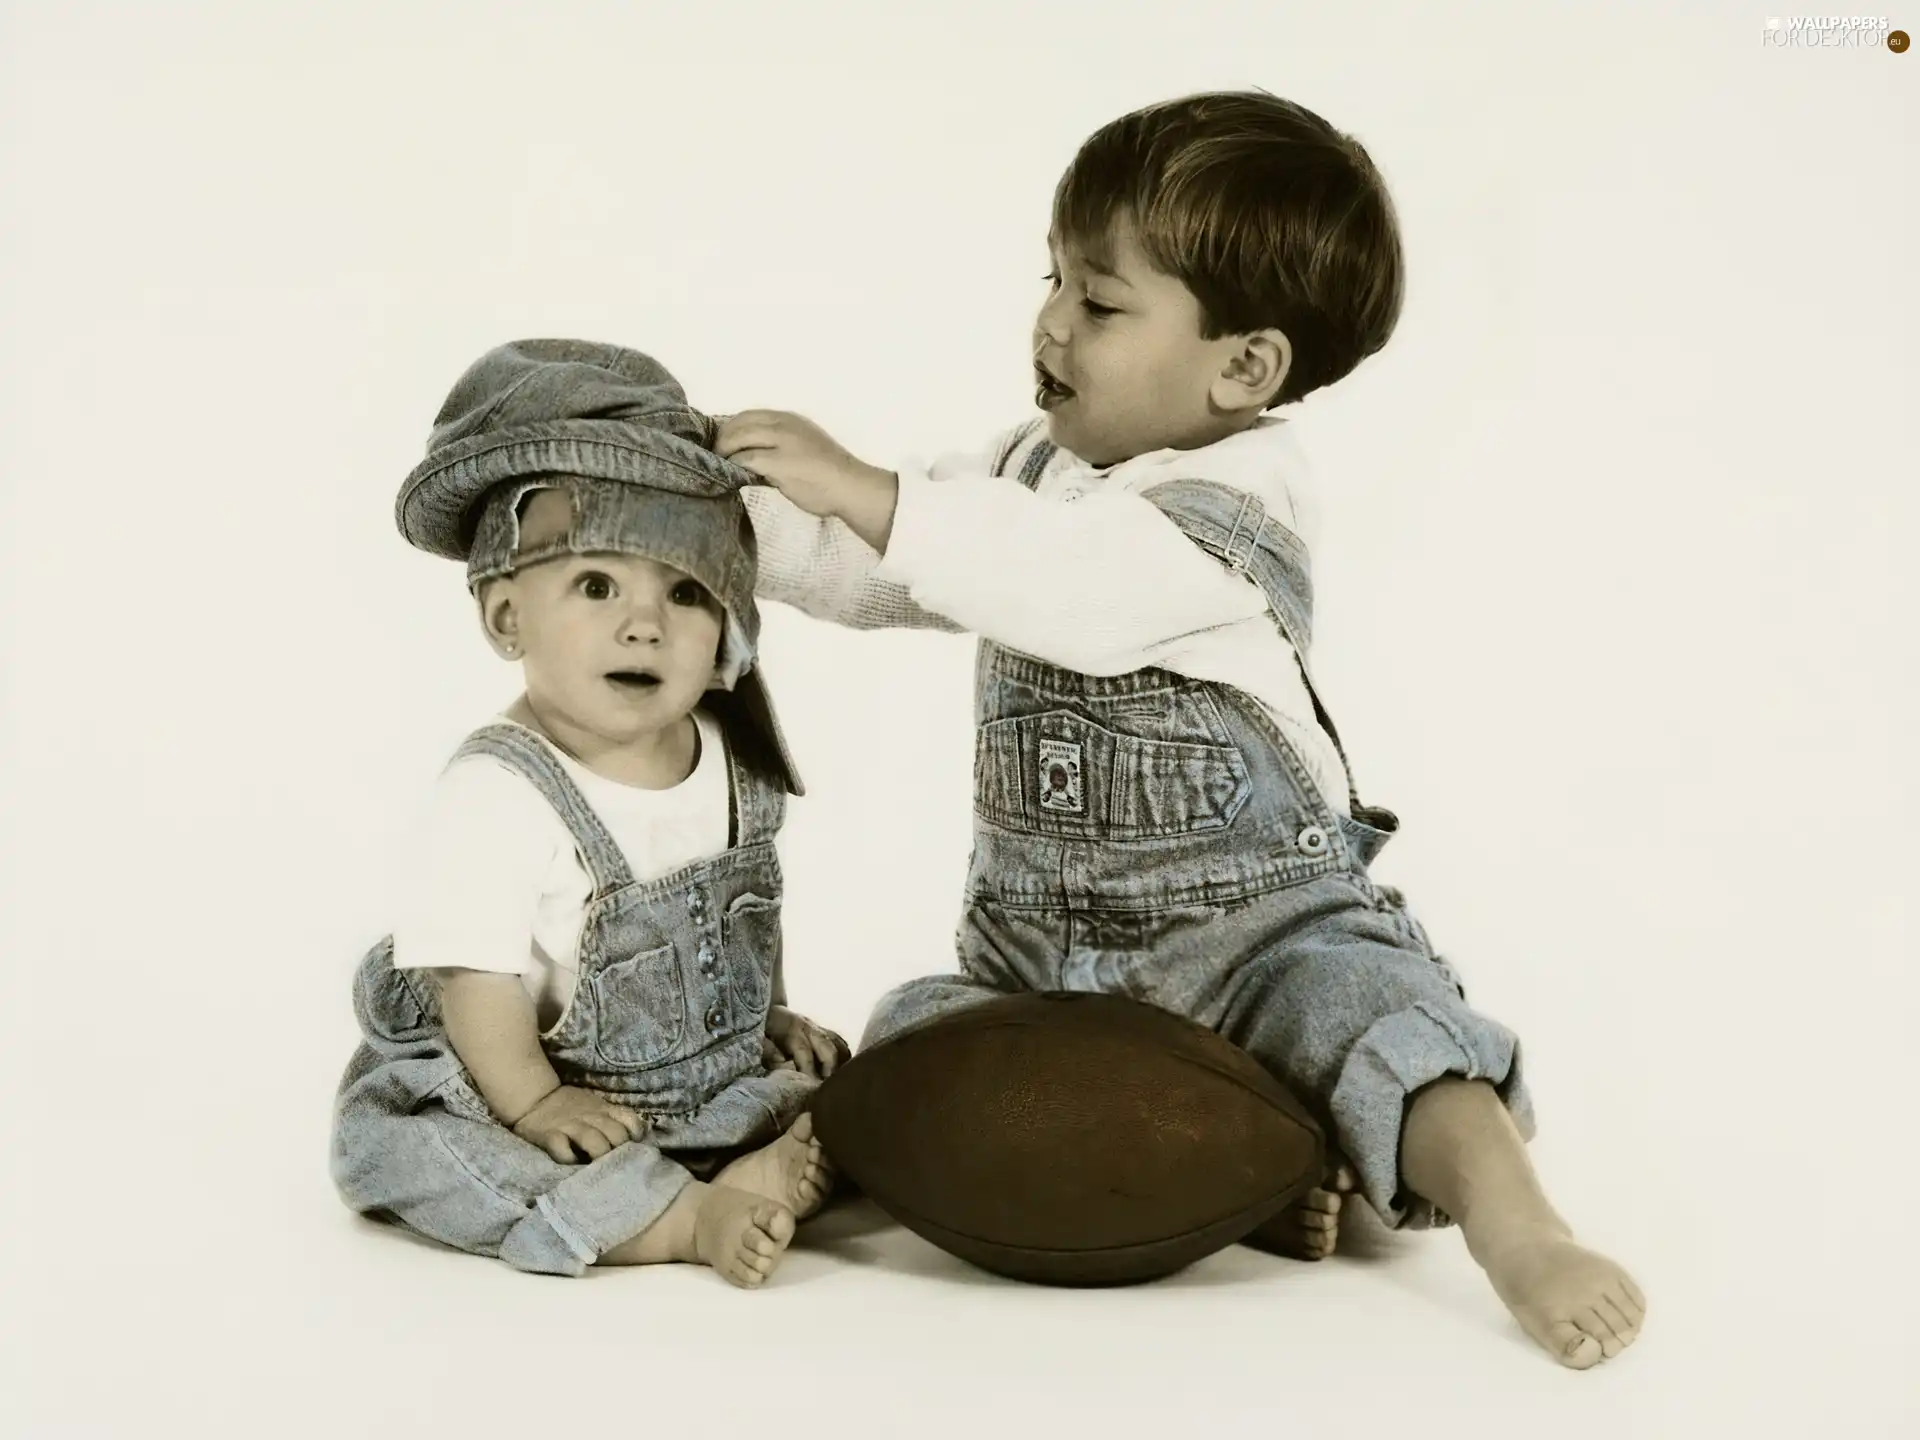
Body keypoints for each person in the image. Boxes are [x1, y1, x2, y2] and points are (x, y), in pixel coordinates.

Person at [717, 91, 1644, 1365]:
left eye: (1099, 302)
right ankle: (1235, 1172)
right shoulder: (1031, 472)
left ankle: (1518, 1227)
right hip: (1033, 945)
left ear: (1243, 368)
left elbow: (1063, 586)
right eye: (1052, 279)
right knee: (914, 1034)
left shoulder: (1232, 512)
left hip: (1256, 932)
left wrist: (868, 489)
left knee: (1393, 1027)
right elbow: (890, 569)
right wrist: (728, 528)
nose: (1050, 320)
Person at [332, 340, 844, 1285]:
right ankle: (680, 1219)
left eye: (685, 593)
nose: (644, 623)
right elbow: (475, 982)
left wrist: (764, 1021)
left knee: (846, 1083)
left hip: (687, 1075)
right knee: (430, 1159)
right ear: (506, 618)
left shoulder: (728, 757)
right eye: (597, 585)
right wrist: (534, 1108)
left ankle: (739, 1157)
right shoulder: (497, 796)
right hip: (511, 1070)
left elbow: (744, 921)